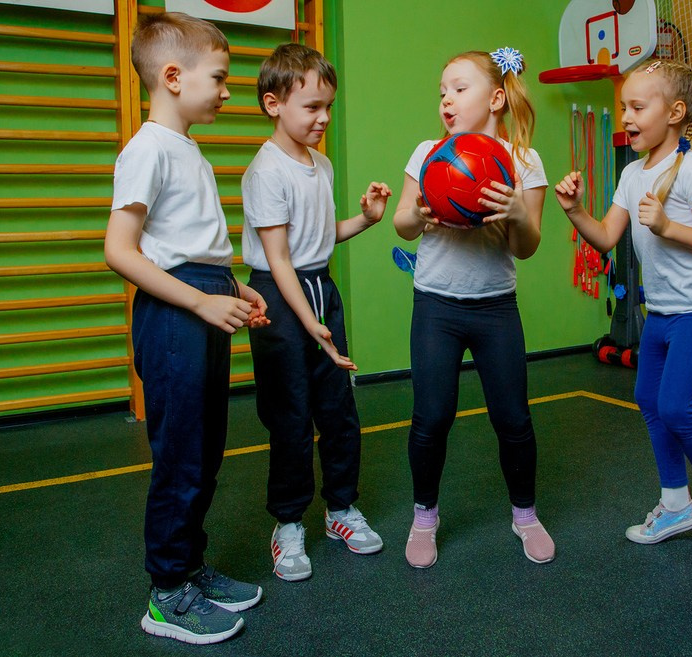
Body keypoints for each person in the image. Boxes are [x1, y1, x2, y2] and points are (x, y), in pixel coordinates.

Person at [104, 12, 268, 645]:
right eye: (220, 78)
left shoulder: (185, 146)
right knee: (179, 457)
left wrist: (232, 288)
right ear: (173, 77)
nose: (227, 91)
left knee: (204, 450)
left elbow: (189, 245)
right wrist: (200, 302)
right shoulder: (147, 148)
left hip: (203, 297)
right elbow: (121, 250)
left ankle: (190, 568)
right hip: (175, 314)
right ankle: (167, 593)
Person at [555, 59, 692, 560]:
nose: (626, 117)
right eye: (624, 107)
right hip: (658, 313)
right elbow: (606, 237)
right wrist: (575, 210)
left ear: (675, 113)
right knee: (648, 398)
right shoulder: (632, 173)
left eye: (638, 107)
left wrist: (668, 227)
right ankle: (676, 503)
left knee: (677, 406)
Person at [392, 47, 551, 568]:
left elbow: (526, 247)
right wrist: (418, 213)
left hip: (495, 309)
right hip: (436, 306)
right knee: (431, 418)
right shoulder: (428, 152)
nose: (447, 100)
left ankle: (525, 514)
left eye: (460, 89)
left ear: (496, 98)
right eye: (442, 91)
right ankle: (424, 516)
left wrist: (517, 213)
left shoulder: (523, 161)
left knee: (513, 418)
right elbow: (402, 224)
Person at [242, 43, 391, 583]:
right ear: (273, 104)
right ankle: (287, 524)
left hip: (319, 287)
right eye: (312, 107)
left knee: (337, 409)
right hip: (278, 297)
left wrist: (367, 219)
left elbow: (319, 239)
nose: (324, 117)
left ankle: (341, 509)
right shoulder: (266, 171)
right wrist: (309, 323)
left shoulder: (321, 164)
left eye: (329, 106)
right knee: (290, 416)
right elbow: (280, 259)